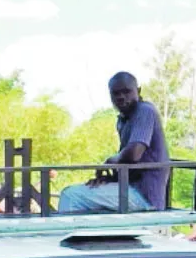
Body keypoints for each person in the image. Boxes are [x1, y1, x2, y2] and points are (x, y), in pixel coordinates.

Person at [59, 72, 170, 213]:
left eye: (127, 92)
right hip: (129, 187)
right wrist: (110, 179)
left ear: (139, 91)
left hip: (144, 195)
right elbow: (130, 163)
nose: (121, 97)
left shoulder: (144, 111)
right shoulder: (123, 120)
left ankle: (70, 235)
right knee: (79, 193)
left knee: (71, 196)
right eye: (116, 94)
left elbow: (134, 153)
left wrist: (110, 161)